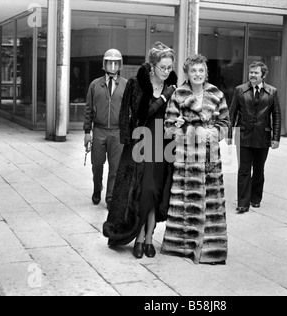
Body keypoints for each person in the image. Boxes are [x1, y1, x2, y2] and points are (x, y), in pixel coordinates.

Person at [103, 42, 178, 259]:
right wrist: (163, 98)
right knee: (142, 192)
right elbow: (133, 113)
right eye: (163, 67)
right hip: (141, 142)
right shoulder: (137, 84)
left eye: (169, 67)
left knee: (155, 193)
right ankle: (137, 237)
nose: (167, 72)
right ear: (153, 66)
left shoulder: (173, 86)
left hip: (163, 145)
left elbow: (175, 115)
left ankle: (148, 238)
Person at [161, 54, 230, 265]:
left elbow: (226, 122)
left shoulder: (217, 94)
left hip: (210, 158)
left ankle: (212, 250)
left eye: (201, 71)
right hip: (187, 159)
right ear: (187, 74)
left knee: (212, 203)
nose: (197, 74)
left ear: (205, 72)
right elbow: (167, 129)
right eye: (193, 71)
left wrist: (215, 132)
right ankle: (182, 246)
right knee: (185, 204)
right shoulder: (178, 95)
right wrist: (184, 128)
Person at [228, 61, 281, 214]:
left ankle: (255, 198)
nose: (252, 75)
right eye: (251, 72)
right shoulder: (240, 90)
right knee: (243, 170)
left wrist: (276, 137)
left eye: (256, 73)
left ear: (263, 75)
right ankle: (242, 203)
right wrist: (230, 134)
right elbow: (232, 113)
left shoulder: (272, 92)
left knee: (259, 170)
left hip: (262, 136)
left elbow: (277, 115)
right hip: (243, 135)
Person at [83, 49, 127, 206]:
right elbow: (88, 109)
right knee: (97, 164)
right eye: (110, 62)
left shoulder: (126, 85)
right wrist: (87, 132)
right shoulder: (95, 85)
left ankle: (110, 197)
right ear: (104, 64)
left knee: (115, 168)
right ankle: (97, 188)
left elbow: (130, 111)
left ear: (120, 65)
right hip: (99, 130)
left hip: (117, 132)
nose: (113, 65)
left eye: (116, 62)